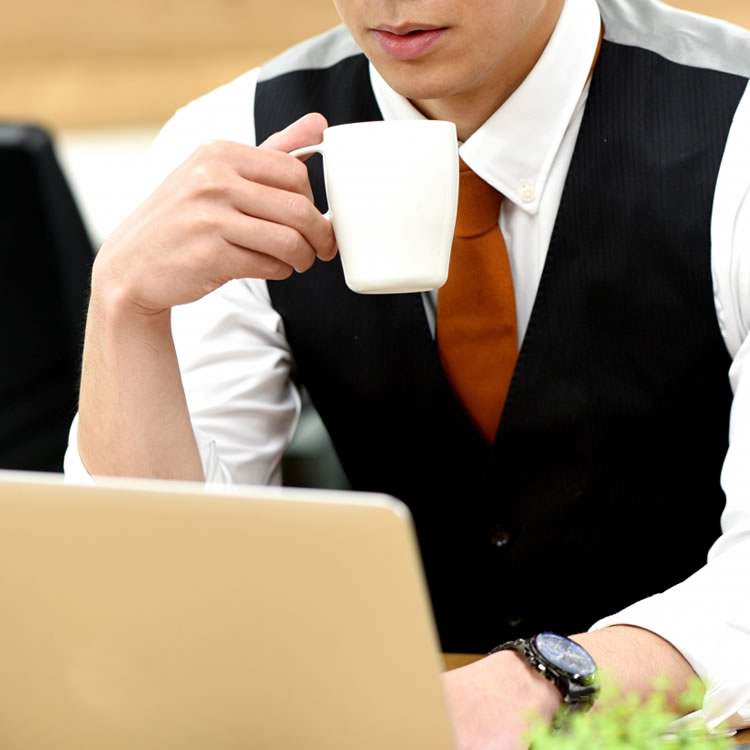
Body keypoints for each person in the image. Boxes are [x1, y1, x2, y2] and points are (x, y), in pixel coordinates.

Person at [65, 0, 750, 746]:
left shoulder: (735, 123)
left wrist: (534, 683)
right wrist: (124, 309)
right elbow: (162, 608)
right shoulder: (234, 141)